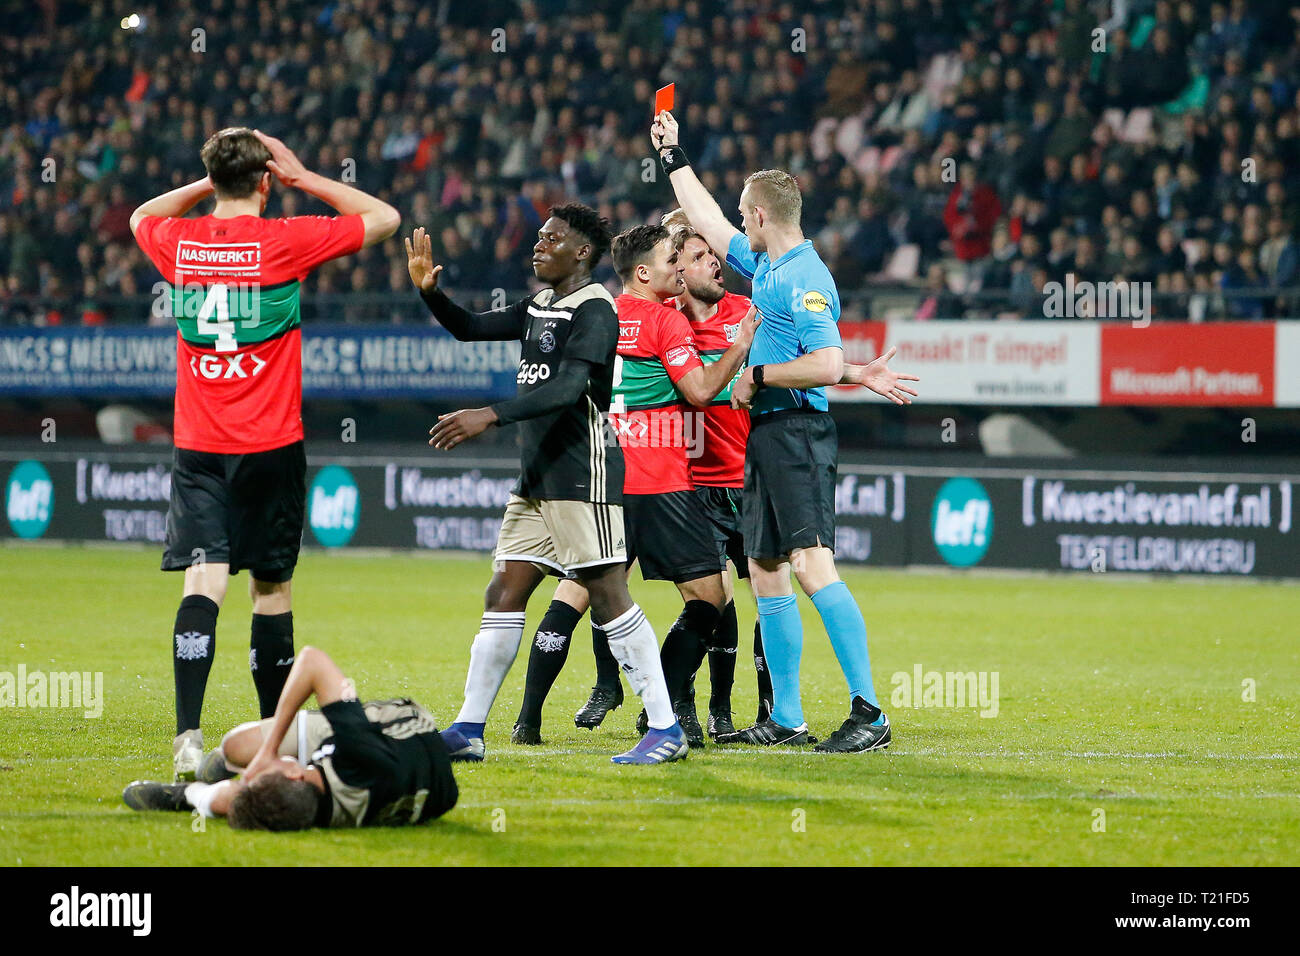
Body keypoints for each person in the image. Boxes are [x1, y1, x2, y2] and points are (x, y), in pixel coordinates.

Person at [130, 127, 400, 780]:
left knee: (204, 581)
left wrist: (208, 181)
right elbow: (385, 219)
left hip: (199, 446)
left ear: (216, 181)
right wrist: (302, 177)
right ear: (264, 181)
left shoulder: (180, 243)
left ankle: (188, 737)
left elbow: (143, 215)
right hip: (270, 445)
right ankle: (265, 744)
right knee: (270, 589)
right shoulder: (285, 239)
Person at [652, 109, 916, 752]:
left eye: (746, 214)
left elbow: (822, 364)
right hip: (767, 435)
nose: (737, 226)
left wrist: (761, 375)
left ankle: (871, 713)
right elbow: (708, 218)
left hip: (798, 431)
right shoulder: (765, 265)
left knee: (811, 566)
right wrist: (672, 156)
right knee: (767, 569)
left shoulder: (802, 274)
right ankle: (788, 716)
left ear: (764, 216)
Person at [407, 204, 688, 765]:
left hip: (583, 472)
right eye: (538, 237)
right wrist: (430, 294)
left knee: (609, 595)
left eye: (551, 238)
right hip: (536, 480)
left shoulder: (596, 309)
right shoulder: (540, 304)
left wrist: (490, 414)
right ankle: (469, 728)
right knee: (504, 592)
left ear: (582, 251)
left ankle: (665, 729)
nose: (538, 245)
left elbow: (569, 389)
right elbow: (470, 327)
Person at [510, 223, 757, 748]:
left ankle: (526, 721)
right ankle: (662, 704)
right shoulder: (667, 320)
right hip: (659, 478)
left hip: (598, 475)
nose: (679, 269)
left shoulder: (591, 310)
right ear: (646, 272)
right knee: (709, 596)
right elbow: (701, 390)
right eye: (672, 260)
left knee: (576, 592)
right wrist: (740, 346)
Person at [121, 646, 459, 830]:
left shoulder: (318, 812)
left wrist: (230, 789)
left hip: (388, 767)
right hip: (396, 725)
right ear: (297, 772)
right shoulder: (356, 745)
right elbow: (312, 660)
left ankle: (188, 794)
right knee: (234, 749)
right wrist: (268, 752)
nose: (251, 774)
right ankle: (219, 771)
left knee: (248, 798)